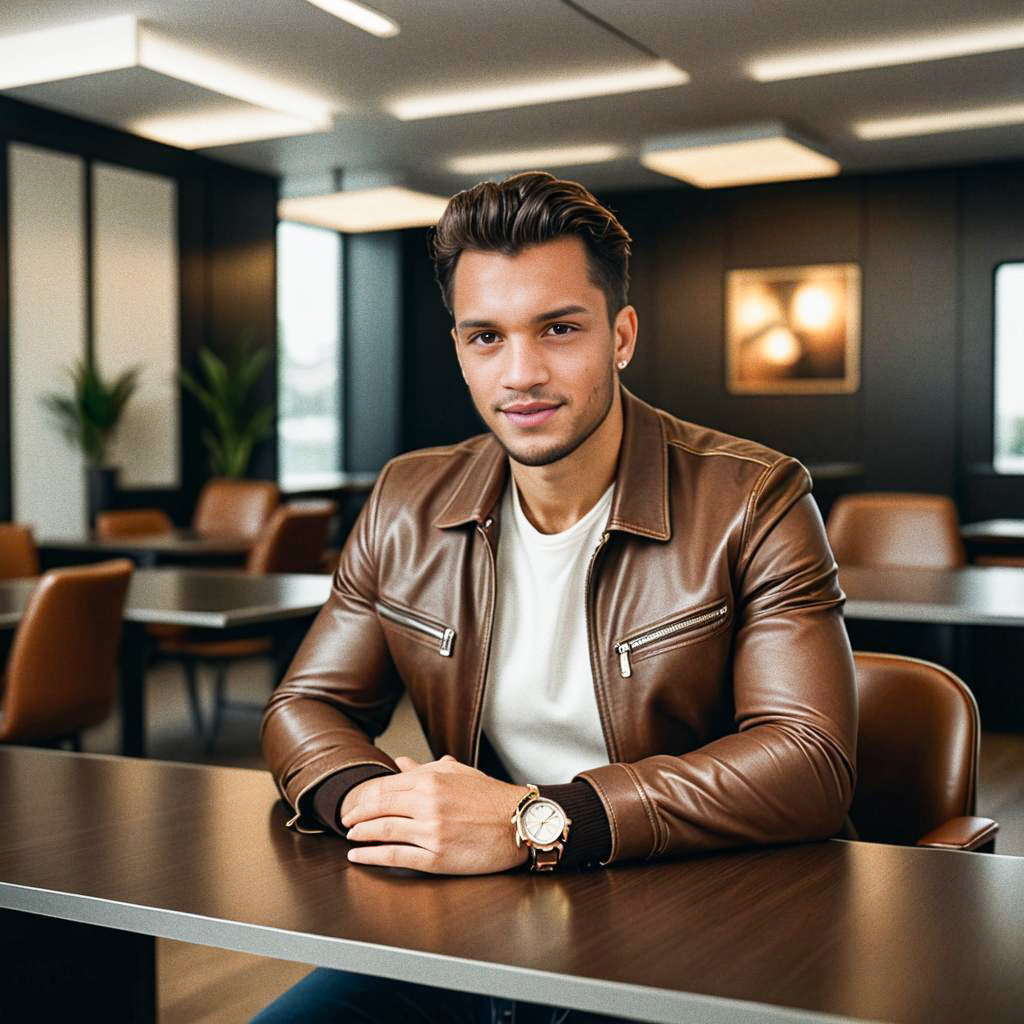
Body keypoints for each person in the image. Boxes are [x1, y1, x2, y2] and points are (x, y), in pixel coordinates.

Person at [256, 172, 857, 1022]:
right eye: (485, 338)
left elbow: (809, 761)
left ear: (620, 335)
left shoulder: (755, 498)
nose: (522, 373)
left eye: (559, 329)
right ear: (458, 347)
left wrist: (538, 820)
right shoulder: (406, 500)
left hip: (698, 917)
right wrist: (371, 801)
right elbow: (306, 702)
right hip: (477, 918)